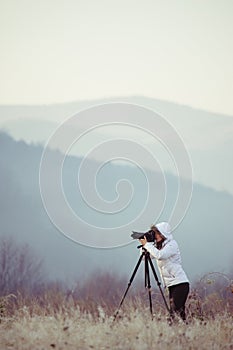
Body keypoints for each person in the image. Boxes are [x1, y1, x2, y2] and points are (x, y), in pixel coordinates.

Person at [139, 222, 190, 321]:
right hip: (171, 285)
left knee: (174, 314)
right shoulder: (159, 246)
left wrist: (147, 245)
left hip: (180, 284)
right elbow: (145, 258)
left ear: (163, 234)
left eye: (157, 233)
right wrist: (145, 245)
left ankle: (175, 330)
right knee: (179, 315)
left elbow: (160, 255)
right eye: (154, 233)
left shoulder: (172, 245)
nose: (155, 236)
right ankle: (185, 332)